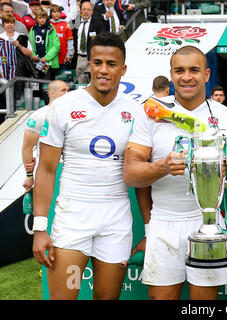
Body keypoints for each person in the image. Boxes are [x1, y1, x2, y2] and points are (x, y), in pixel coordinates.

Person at [122, 45, 227, 300]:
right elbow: (130, 174)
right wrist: (162, 167)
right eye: (179, 71)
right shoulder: (152, 113)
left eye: (194, 70)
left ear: (207, 74)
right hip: (164, 222)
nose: (187, 77)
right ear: (171, 74)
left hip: (208, 223)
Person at [32, 32, 139, 300]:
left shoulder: (136, 111)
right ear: (88, 65)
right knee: (65, 296)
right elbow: (46, 169)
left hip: (116, 218)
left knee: (107, 297)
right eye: (97, 62)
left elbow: (142, 171)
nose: (103, 70)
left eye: (111, 64)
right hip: (74, 216)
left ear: (123, 69)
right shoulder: (63, 107)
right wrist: (40, 227)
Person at [22, 80, 69, 192]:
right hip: (47, 171)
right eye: (63, 90)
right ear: (52, 93)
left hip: (71, 171)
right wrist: (29, 176)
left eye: (68, 90)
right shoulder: (38, 116)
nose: (67, 93)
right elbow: (26, 148)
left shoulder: (75, 114)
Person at [75, 0, 105, 83]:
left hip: (92, 58)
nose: (86, 12)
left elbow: (101, 41)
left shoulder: (98, 23)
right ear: (81, 10)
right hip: (79, 58)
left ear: (92, 11)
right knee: (81, 86)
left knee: (94, 84)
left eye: (88, 10)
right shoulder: (76, 21)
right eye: (84, 9)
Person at [29, 7, 60, 80]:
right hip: (36, 61)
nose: (42, 19)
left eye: (44, 17)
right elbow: (29, 45)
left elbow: (56, 46)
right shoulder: (33, 29)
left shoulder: (51, 29)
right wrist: (33, 55)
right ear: (36, 18)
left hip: (48, 62)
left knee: (47, 86)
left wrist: (46, 58)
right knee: (36, 86)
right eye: (40, 17)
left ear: (46, 18)